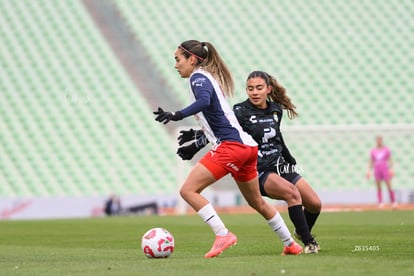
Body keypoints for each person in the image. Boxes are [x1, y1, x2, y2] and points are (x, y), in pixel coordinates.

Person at [154, 40, 302, 258]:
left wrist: (177, 115)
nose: (176, 65)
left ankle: (222, 234)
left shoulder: (197, 78)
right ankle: (291, 244)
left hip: (231, 147)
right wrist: (198, 140)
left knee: (188, 191)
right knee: (257, 202)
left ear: (192, 59)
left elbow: (204, 102)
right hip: (247, 147)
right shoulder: (208, 77)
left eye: (178, 59)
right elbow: (218, 117)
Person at [230, 71, 321, 253]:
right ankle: (309, 243)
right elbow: (223, 129)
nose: (254, 92)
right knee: (292, 194)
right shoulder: (240, 111)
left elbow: (277, 136)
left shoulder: (275, 109)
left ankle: (301, 232)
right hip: (259, 169)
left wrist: (289, 157)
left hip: (280, 165)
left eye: (259, 88)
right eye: (250, 89)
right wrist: (198, 139)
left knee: (314, 204)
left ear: (268, 89)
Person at [366, 135, 397, 208]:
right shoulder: (373, 151)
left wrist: (392, 169)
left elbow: (390, 159)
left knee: (389, 185)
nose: (379, 141)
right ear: (376, 141)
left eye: (380, 140)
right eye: (378, 140)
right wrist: (368, 171)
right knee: (378, 186)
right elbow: (371, 161)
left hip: (385, 168)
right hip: (377, 168)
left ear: (382, 141)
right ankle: (380, 202)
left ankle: (393, 201)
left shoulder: (386, 150)